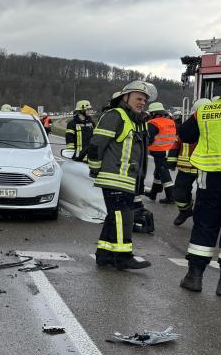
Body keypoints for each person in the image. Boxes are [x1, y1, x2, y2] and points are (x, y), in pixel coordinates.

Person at [177, 66, 221, 295]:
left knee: (204, 226)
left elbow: (185, 135)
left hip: (208, 179)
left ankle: (193, 277)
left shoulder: (205, 110)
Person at [87, 81, 157, 270]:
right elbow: (96, 144)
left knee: (114, 217)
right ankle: (122, 256)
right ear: (125, 97)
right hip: (115, 177)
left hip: (127, 179)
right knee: (122, 218)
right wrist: (95, 169)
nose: (142, 102)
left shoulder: (134, 120)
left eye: (144, 100)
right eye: (138, 98)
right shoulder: (115, 115)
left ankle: (104, 255)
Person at [170, 98, 210, 225]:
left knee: (203, 198)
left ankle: (201, 221)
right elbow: (177, 143)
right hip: (185, 169)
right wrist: (171, 160)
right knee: (178, 194)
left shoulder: (212, 129)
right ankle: (185, 211)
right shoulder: (186, 127)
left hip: (204, 170)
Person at [144, 102, 177, 203]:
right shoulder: (171, 122)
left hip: (159, 151)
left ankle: (171, 196)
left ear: (153, 113)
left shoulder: (153, 123)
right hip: (171, 151)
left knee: (163, 173)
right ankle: (154, 192)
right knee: (158, 171)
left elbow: (148, 139)